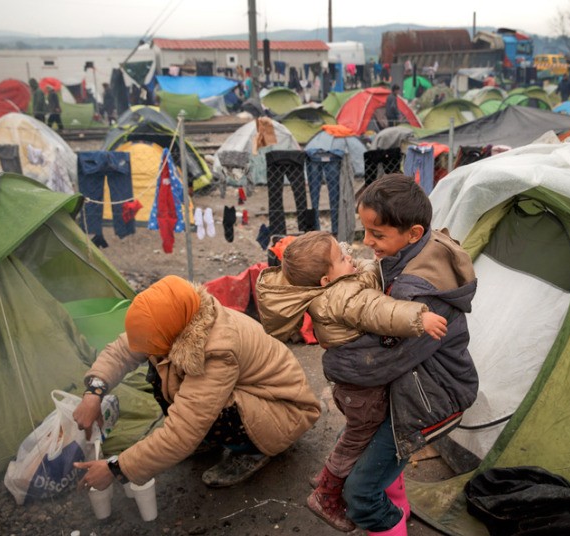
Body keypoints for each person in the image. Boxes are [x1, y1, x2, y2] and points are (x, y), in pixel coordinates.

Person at [255, 231, 449, 531]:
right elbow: (377, 309)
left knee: (357, 434)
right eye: (343, 258)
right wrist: (418, 317)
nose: (350, 258)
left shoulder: (336, 287)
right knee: (357, 439)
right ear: (325, 280)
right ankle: (327, 492)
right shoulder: (339, 297)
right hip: (363, 392)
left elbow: (360, 281)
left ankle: (331, 476)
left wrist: (377, 264)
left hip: (353, 389)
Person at [323, 175, 479, 535]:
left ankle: (388, 522)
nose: (367, 242)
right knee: (367, 457)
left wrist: (333, 360)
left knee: (359, 492)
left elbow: (383, 360)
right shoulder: (414, 252)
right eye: (365, 231)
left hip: (432, 398)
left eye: (377, 235)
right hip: (414, 386)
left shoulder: (420, 293)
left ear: (413, 233)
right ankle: (399, 510)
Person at [72, 275, 321, 491]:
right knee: (158, 366)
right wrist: (94, 392)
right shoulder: (174, 316)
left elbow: (184, 429)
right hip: (254, 394)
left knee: (214, 409)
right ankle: (212, 439)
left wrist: (117, 469)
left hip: (283, 410)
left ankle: (251, 451)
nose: (144, 348)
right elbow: (122, 351)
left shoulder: (218, 351)